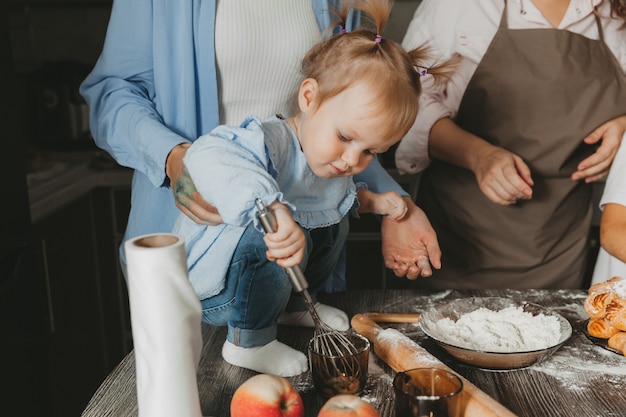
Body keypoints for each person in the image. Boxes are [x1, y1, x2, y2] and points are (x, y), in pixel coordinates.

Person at [171, 0, 451, 377]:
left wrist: (377, 202)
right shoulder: (268, 140)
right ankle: (248, 342)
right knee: (267, 235)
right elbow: (207, 154)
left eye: (370, 151)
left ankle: (296, 307)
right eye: (346, 137)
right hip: (219, 290)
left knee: (335, 221)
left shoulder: (330, 158)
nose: (353, 160)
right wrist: (270, 207)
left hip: (276, 287)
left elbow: (337, 198)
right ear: (308, 97)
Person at [79, 0, 442, 291]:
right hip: (184, 243)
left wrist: (398, 207)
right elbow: (112, 93)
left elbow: (350, 124)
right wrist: (173, 158)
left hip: (295, 242)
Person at [396, 0, 626, 289]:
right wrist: (478, 156)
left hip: (560, 248)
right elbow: (405, 104)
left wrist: (623, 125)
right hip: (457, 236)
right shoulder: (457, 6)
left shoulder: (615, 12)